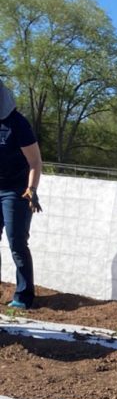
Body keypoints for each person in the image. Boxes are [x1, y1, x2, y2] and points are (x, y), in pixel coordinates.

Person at [0, 80, 42, 310]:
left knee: (16, 242)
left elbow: (35, 161)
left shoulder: (17, 124)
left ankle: (24, 295)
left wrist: (32, 189)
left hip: (15, 191)